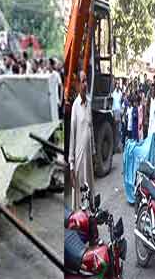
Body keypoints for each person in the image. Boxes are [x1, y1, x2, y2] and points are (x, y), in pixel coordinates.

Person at [69, 71, 94, 210]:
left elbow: (91, 128)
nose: (85, 84)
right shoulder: (75, 106)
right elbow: (72, 136)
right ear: (78, 85)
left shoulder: (89, 103)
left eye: (86, 81)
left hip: (88, 158)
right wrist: (71, 165)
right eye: (83, 81)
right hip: (79, 158)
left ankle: (89, 215)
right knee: (80, 195)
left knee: (89, 191)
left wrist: (94, 151)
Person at [112, 80, 123, 149]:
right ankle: (115, 145)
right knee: (115, 129)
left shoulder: (120, 93)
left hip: (119, 111)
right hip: (115, 111)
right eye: (117, 84)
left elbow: (120, 103)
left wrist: (121, 111)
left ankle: (118, 145)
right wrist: (113, 112)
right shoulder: (113, 93)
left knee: (119, 130)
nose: (118, 85)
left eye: (119, 84)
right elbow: (113, 104)